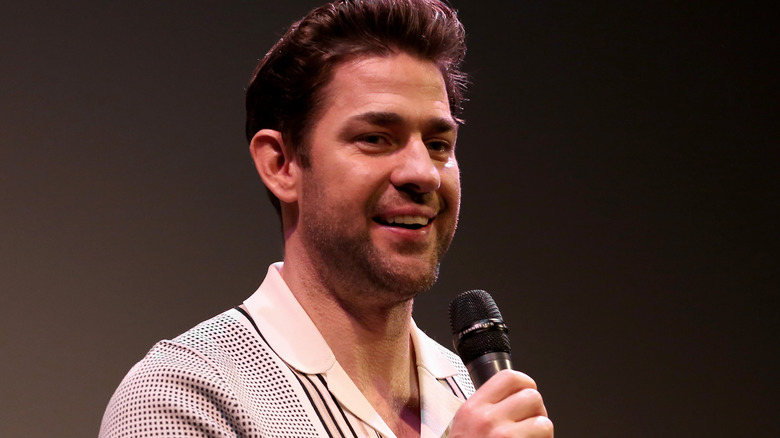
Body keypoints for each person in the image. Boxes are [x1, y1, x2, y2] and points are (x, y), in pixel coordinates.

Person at [99, 1, 553, 437]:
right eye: (375, 138)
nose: (422, 173)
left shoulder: (474, 397)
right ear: (281, 164)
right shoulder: (186, 394)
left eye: (438, 144)